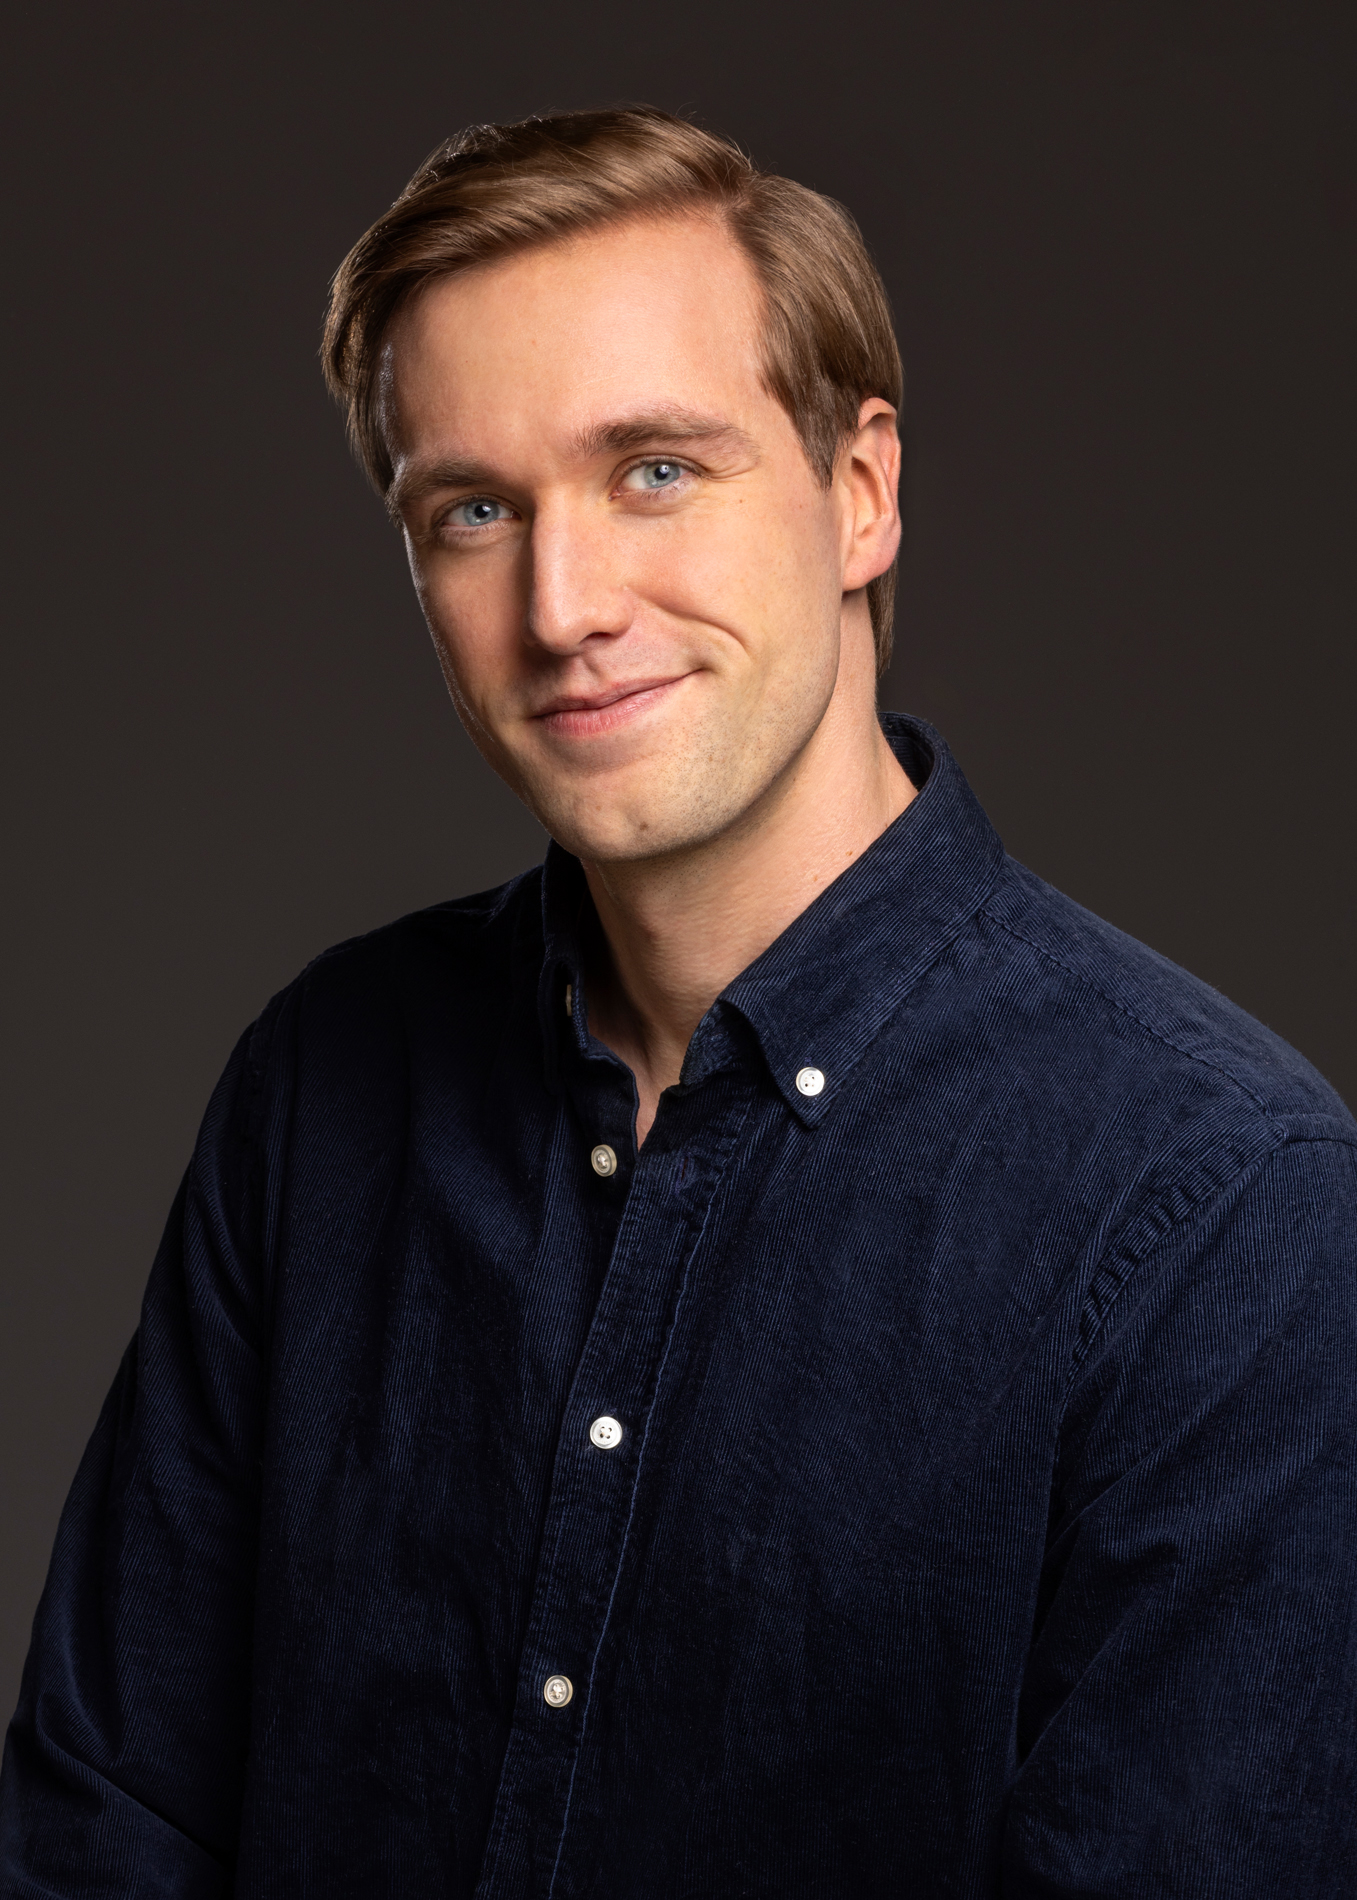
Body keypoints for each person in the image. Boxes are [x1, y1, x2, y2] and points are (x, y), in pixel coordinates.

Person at [2, 105, 1354, 1900]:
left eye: (652, 470)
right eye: (474, 511)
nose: (561, 607)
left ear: (859, 492)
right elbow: (107, 1820)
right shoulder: (324, 1082)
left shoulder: (1224, 1210)